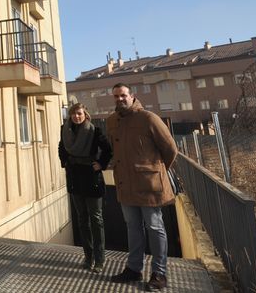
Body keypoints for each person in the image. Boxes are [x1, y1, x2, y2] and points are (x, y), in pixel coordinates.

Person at [107, 83, 178, 291]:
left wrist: (155, 171)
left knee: (155, 228)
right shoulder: (112, 121)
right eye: (116, 96)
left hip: (149, 186)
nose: (119, 99)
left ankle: (159, 273)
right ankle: (134, 268)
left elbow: (170, 149)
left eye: (123, 95)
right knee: (133, 228)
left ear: (132, 96)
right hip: (125, 185)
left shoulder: (148, 118)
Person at [58, 103, 112, 273]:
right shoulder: (65, 129)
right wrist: (65, 162)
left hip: (91, 177)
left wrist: (101, 164)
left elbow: (108, 150)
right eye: (74, 114)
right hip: (75, 176)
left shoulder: (94, 131)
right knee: (82, 219)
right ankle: (88, 258)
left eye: (79, 113)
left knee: (96, 219)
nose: (77, 117)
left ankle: (100, 260)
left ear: (85, 114)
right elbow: (61, 147)